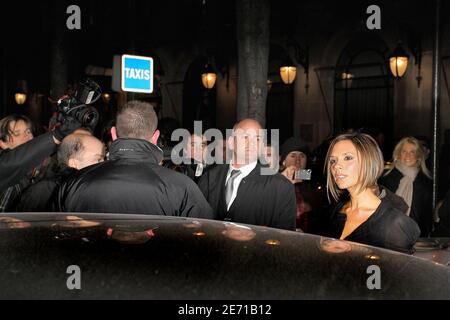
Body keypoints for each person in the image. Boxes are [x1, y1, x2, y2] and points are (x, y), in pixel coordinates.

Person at [57, 100, 213, 219]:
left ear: (113, 134)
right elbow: (206, 241)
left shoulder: (74, 183)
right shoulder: (182, 187)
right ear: (155, 137)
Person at [324, 132, 420, 254]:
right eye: (333, 161)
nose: (337, 166)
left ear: (369, 161)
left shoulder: (393, 223)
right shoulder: (334, 211)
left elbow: (398, 271)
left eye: (348, 158)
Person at [198, 119, 296, 230]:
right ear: (231, 143)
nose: (252, 143)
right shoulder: (209, 178)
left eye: (257, 139)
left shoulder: (281, 187)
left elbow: (285, 238)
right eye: (245, 137)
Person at [0, 113, 80, 211]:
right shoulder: (4, 168)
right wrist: (56, 135)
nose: (27, 136)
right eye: (17, 133)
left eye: (28, 131)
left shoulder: (41, 165)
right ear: (3, 143)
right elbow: (13, 163)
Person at [17, 133, 105, 212]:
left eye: (104, 159)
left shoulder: (94, 188)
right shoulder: (43, 192)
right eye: (98, 159)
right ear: (74, 163)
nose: (104, 164)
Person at [379, 137, 433, 237]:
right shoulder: (387, 178)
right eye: (404, 151)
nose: (408, 155)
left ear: (418, 156)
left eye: (412, 152)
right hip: (388, 233)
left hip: (417, 236)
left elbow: (427, 214)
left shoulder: (425, 181)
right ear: (399, 154)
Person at [279, 138, 323, 232]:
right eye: (293, 156)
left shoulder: (314, 184)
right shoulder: (274, 181)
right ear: (283, 161)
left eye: (302, 156)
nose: (298, 160)